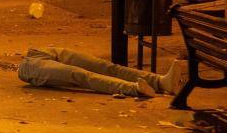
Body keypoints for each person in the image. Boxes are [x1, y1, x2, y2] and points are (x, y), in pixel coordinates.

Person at [18, 47, 185, 97]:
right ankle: (134, 88)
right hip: (29, 68)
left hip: (40, 52)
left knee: (106, 67)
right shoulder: (28, 70)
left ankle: (161, 82)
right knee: (81, 75)